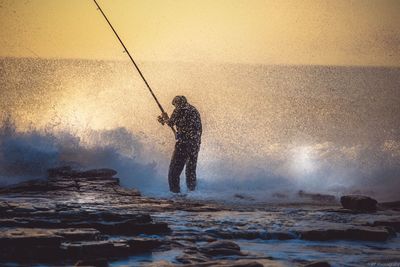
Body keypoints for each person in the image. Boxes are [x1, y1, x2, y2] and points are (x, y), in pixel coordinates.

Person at [158, 96, 202, 193]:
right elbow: (189, 126)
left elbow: (171, 123)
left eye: (175, 105)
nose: (175, 108)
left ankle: (175, 194)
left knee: (174, 171)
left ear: (177, 103)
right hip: (195, 144)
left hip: (183, 145)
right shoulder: (194, 110)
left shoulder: (180, 109)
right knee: (190, 171)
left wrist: (164, 118)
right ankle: (193, 193)